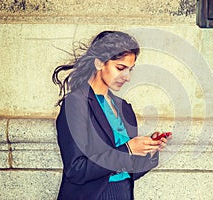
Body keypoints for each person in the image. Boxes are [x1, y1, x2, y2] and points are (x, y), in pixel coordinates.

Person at [52, 30, 170, 200]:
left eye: (130, 70)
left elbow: (130, 171)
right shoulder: (76, 103)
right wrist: (128, 149)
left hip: (122, 193)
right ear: (99, 63)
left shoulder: (124, 108)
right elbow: (76, 169)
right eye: (120, 68)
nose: (127, 77)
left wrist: (149, 150)